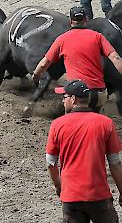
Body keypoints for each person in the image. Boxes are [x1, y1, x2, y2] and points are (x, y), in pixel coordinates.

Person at [45, 79, 122, 223]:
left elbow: (50, 163)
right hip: (99, 196)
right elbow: (115, 163)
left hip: (71, 197)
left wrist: (59, 187)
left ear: (73, 99)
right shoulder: (106, 123)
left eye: (65, 97)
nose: (63, 101)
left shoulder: (57, 125)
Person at [33, 6, 122, 110]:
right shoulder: (98, 37)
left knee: (70, 116)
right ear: (86, 19)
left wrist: (36, 76)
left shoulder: (62, 39)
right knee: (93, 115)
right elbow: (115, 58)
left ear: (70, 21)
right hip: (98, 94)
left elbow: (44, 64)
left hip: (76, 93)